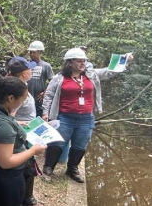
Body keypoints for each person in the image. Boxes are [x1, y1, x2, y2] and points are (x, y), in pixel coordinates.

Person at [41, 48, 133, 183]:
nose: (83, 63)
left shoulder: (91, 74)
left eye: (84, 60)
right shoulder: (59, 78)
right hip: (65, 117)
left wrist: (124, 60)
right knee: (58, 143)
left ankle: (72, 169)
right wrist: (45, 113)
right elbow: (48, 95)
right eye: (79, 61)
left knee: (80, 145)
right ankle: (48, 168)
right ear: (70, 62)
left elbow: (109, 71)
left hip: (86, 118)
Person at [0, 76, 47, 206]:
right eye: (22, 100)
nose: (23, 103)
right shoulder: (3, 126)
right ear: (10, 98)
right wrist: (33, 150)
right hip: (5, 175)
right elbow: (5, 162)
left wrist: (17, 123)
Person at [5, 57, 40, 206]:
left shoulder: (22, 86)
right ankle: (25, 199)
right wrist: (23, 124)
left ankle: (27, 196)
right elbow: (8, 118)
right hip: (22, 134)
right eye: (29, 69)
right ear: (23, 73)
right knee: (25, 167)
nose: (31, 71)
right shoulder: (17, 91)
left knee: (28, 166)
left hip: (28, 131)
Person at [26, 41, 54, 117]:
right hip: (26, 97)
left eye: (33, 52)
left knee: (38, 118)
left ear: (39, 52)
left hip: (39, 98)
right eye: (30, 52)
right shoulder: (26, 65)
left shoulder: (46, 66)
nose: (31, 54)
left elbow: (52, 81)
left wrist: (45, 92)